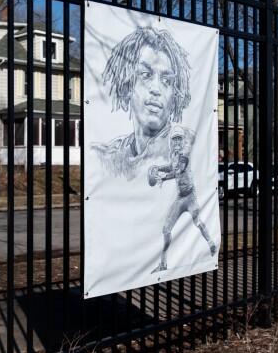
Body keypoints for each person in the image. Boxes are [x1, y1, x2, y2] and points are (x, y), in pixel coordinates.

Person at [91, 26, 192, 180]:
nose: (156, 89)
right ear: (126, 84)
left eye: (166, 80)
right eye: (146, 74)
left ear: (175, 95)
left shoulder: (189, 143)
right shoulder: (106, 157)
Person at [147, 127, 217, 272]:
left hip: (190, 195)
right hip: (180, 197)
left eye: (179, 138)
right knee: (166, 229)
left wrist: (163, 177)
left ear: (182, 139)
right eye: (175, 138)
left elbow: (179, 170)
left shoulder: (185, 151)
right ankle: (163, 264)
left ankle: (211, 243)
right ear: (172, 141)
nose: (177, 140)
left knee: (198, 222)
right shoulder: (173, 153)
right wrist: (158, 168)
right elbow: (171, 167)